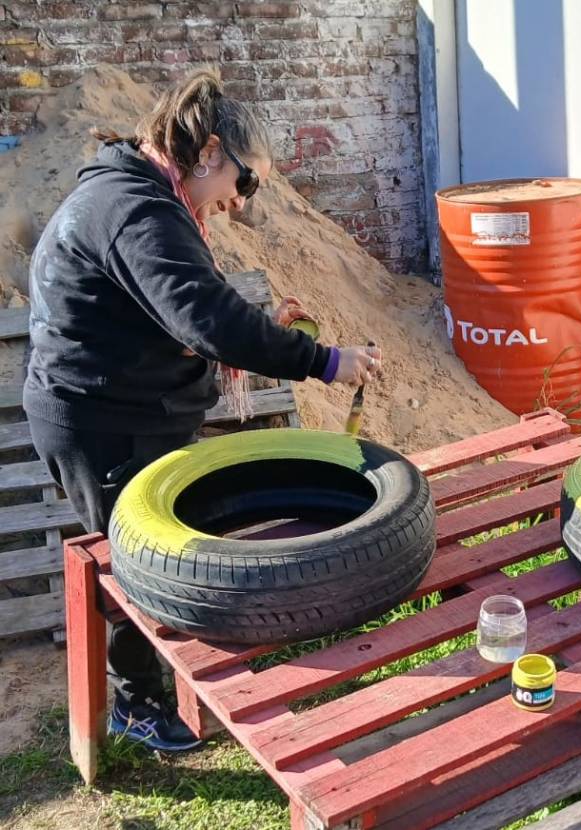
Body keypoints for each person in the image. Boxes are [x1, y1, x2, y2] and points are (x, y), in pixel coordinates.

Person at [24, 69, 383, 752]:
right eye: (245, 183)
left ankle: (161, 679)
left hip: (134, 404)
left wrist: (258, 325)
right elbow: (202, 318)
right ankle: (134, 701)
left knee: (165, 544)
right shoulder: (135, 208)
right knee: (144, 561)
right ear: (211, 151)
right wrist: (323, 361)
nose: (242, 204)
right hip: (101, 420)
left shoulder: (150, 196)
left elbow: (173, 300)